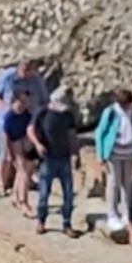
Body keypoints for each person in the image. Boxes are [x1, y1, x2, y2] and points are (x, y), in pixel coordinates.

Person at [0, 59, 49, 198]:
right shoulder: (8, 76)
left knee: (25, 156)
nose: (26, 72)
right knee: (5, 154)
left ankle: (23, 186)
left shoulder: (36, 81)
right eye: (23, 69)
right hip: (7, 120)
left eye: (29, 69)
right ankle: (2, 184)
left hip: (28, 121)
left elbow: (45, 100)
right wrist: (3, 106)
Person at [94, 87, 132, 234]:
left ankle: (126, 213)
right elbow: (100, 133)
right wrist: (100, 154)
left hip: (128, 153)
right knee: (114, 182)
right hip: (114, 153)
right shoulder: (110, 112)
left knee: (127, 183)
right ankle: (112, 214)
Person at [28, 89, 77, 236]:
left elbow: (72, 134)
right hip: (48, 158)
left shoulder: (68, 116)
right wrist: (37, 144)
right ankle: (41, 221)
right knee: (44, 192)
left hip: (64, 157)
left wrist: (75, 152)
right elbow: (30, 129)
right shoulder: (43, 114)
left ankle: (67, 223)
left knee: (68, 193)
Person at [3, 93, 37, 216]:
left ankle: (15, 197)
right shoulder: (9, 116)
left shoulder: (25, 114)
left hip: (24, 140)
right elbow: (6, 136)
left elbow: (29, 128)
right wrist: (10, 152)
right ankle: (23, 201)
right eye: (22, 102)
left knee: (22, 171)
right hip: (14, 142)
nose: (24, 105)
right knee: (23, 172)